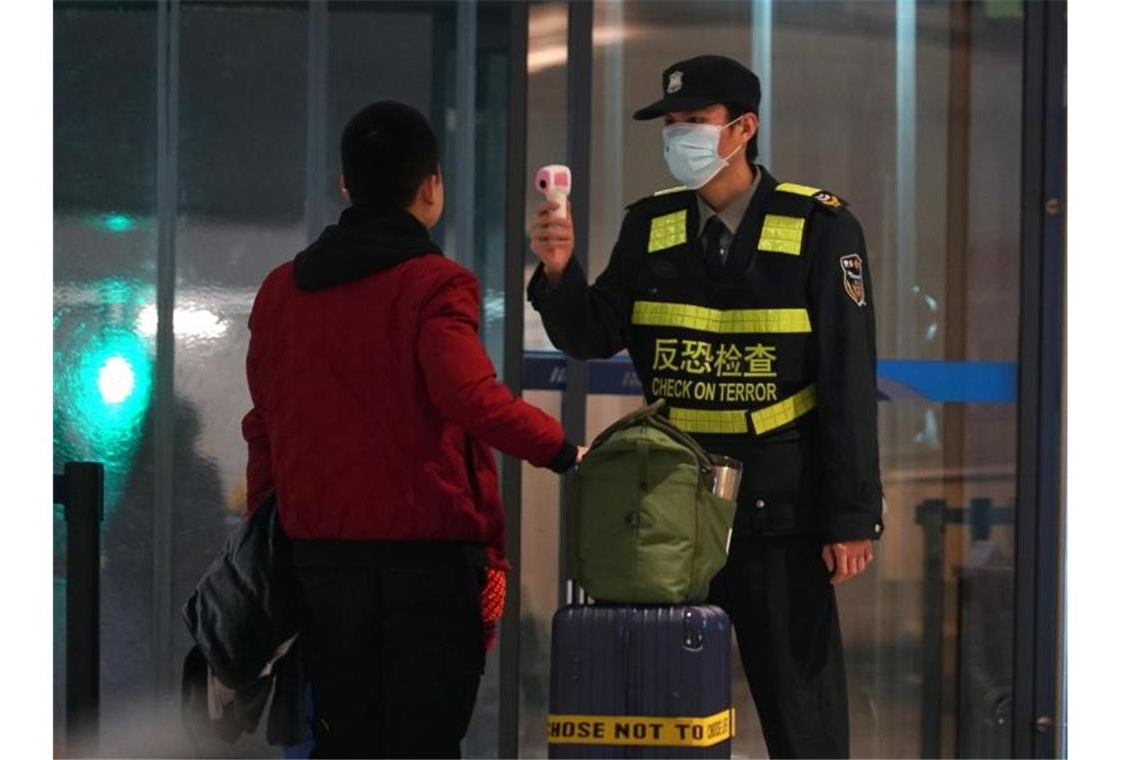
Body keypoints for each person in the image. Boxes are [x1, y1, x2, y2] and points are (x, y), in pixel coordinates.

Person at [527, 55, 883, 758]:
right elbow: (594, 335)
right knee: (661, 708)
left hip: (779, 510)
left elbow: (847, 379)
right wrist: (560, 272)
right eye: (671, 124)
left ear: (743, 128)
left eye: (695, 122)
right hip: (668, 514)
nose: (678, 135)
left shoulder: (819, 227)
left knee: (800, 714)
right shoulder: (651, 226)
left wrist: (851, 516)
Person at [242, 100, 581, 758]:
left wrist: (270, 546)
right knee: (425, 742)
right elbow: (471, 398)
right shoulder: (436, 285)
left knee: (343, 741)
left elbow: (265, 430)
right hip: (427, 568)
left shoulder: (281, 291)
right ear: (431, 188)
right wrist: (566, 450)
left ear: (347, 187)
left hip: (322, 567)